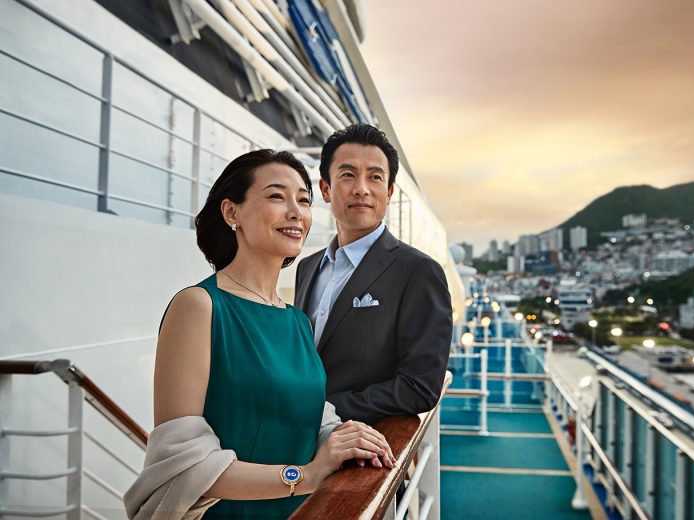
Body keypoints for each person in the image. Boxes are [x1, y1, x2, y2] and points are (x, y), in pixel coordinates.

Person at [124, 149, 394, 520]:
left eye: (303, 200)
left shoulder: (297, 321)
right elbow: (183, 463)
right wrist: (306, 475)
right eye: (276, 196)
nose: (296, 212)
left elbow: (309, 413)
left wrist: (342, 435)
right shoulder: (199, 306)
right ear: (232, 213)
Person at [294, 124, 452, 424]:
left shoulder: (418, 272)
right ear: (325, 189)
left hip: (357, 447)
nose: (361, 189)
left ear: (389, 192)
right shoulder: (308, 267)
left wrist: (323, 410)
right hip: (292, 437)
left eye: (375, 177)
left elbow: (420, 387)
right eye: (348, 174)